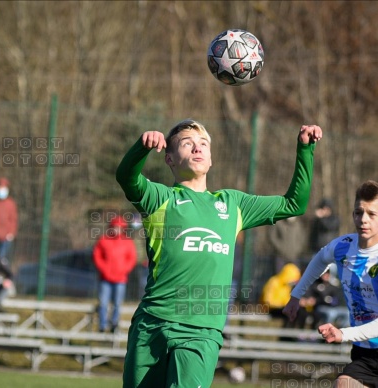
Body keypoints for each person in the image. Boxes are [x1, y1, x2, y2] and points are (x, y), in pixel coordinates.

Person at [116, 119, 322, 387]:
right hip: (152, 324)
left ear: (211, 159)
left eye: (203, 144)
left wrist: (305, 150)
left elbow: (294, 204)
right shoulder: (159, 198)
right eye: (186, 143)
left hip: (202, 331)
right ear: (169, 159)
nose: (197, 148)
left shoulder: (233, 204)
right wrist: (141, 148)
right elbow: (126, 177)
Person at [284, 180, 378, 387]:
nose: (363, 220)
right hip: (365, 354)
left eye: (372, 214)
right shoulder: (343, 246)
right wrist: (296, 295)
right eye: (358, 212)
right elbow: (319, 260)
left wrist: (343, 333)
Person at [92, 215, 137, 333]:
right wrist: (104, 269)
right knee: (103, 302)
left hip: (120, 279)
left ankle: (114, 324)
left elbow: (131, 259)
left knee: (117, 303)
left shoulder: (127, 242)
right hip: (105, 278)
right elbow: (97, 256)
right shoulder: (103, 240)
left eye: (119, 227)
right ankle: (102, 325)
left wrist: (123, 269)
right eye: (114, 227)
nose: (116, 229)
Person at [260, 263, 306, 332]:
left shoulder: (288, 285)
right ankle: (287, 335)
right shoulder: (274, 282)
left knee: (300, 312)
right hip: (272, 308)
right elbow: (268, 301)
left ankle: (293, 334)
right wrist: (284, 304)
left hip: (283, 308)